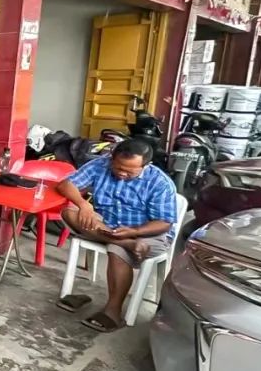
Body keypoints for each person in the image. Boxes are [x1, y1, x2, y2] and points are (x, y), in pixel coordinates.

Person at [55, 140, 177, 333]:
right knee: (69, 213)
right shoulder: (101, 164)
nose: (122, 173)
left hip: (148, 233)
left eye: (130, 172)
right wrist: (84, 205)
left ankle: (113, 312)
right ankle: (126, 243)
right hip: (108, 226)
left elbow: (164, 222)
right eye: (118, 167)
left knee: (116, 249)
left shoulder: (160, 183)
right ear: (111, 158)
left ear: (146, 166)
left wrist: (134, 232)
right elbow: (65, 184)